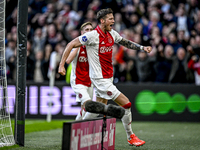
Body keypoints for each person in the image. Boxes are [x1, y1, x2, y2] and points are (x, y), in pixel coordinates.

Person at [58, 8, 152, 147]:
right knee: (126, 104)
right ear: (102, 21)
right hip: (100, 80)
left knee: (98, 109)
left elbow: (125, 42)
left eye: (113, 18)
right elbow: (71, 44)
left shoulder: (112, 33)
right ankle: (130, 136)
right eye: (110, 19)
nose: (113, 21)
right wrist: (61, 66)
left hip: (108, 78)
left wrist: (142, 48)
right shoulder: (92, 36)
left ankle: (75, 133)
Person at [66, 22, 100, 120]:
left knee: (85, 108)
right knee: (88, 104)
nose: (89, 32)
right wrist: (79, 45)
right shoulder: (77, 45)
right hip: (78, 81)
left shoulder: (93, 47)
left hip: (89, 82)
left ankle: (76, 129)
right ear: (82, 33)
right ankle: (81, 127)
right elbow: (68, 60)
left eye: (91, 30)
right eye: (87, 30)